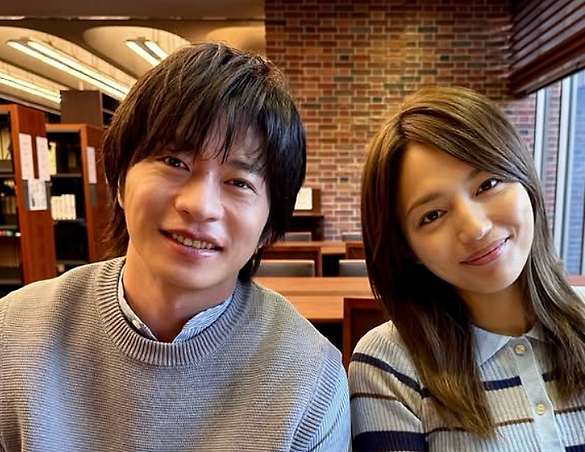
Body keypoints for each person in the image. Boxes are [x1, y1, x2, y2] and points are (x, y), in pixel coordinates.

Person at [0, 43, 350, 452]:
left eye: (239, 182)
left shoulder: (310, 378)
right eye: (174, 162)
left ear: (269, 226)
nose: (199, 205)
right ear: (119, 180)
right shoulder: (14, 335)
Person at [349, 86, 585, 451]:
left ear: (523, 179)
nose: (475, 228)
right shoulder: (388, 366)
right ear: (406, 247)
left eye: (488, 184)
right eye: (432, 215)